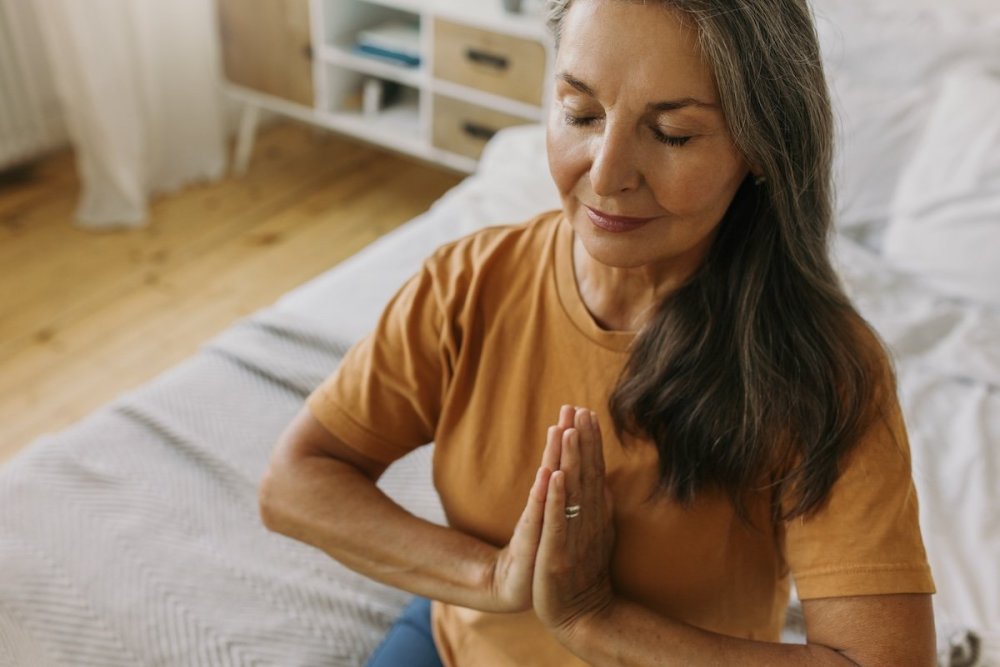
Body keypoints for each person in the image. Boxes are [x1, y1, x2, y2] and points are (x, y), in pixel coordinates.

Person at [258, 0, 937, 664]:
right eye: (580, 112)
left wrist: (596, 620)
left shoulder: (823, 370)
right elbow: (296, 481)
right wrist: (492, 577)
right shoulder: (469, 283)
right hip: (456, 639)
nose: (606, 175)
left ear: (762, 146)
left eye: (672, 133)